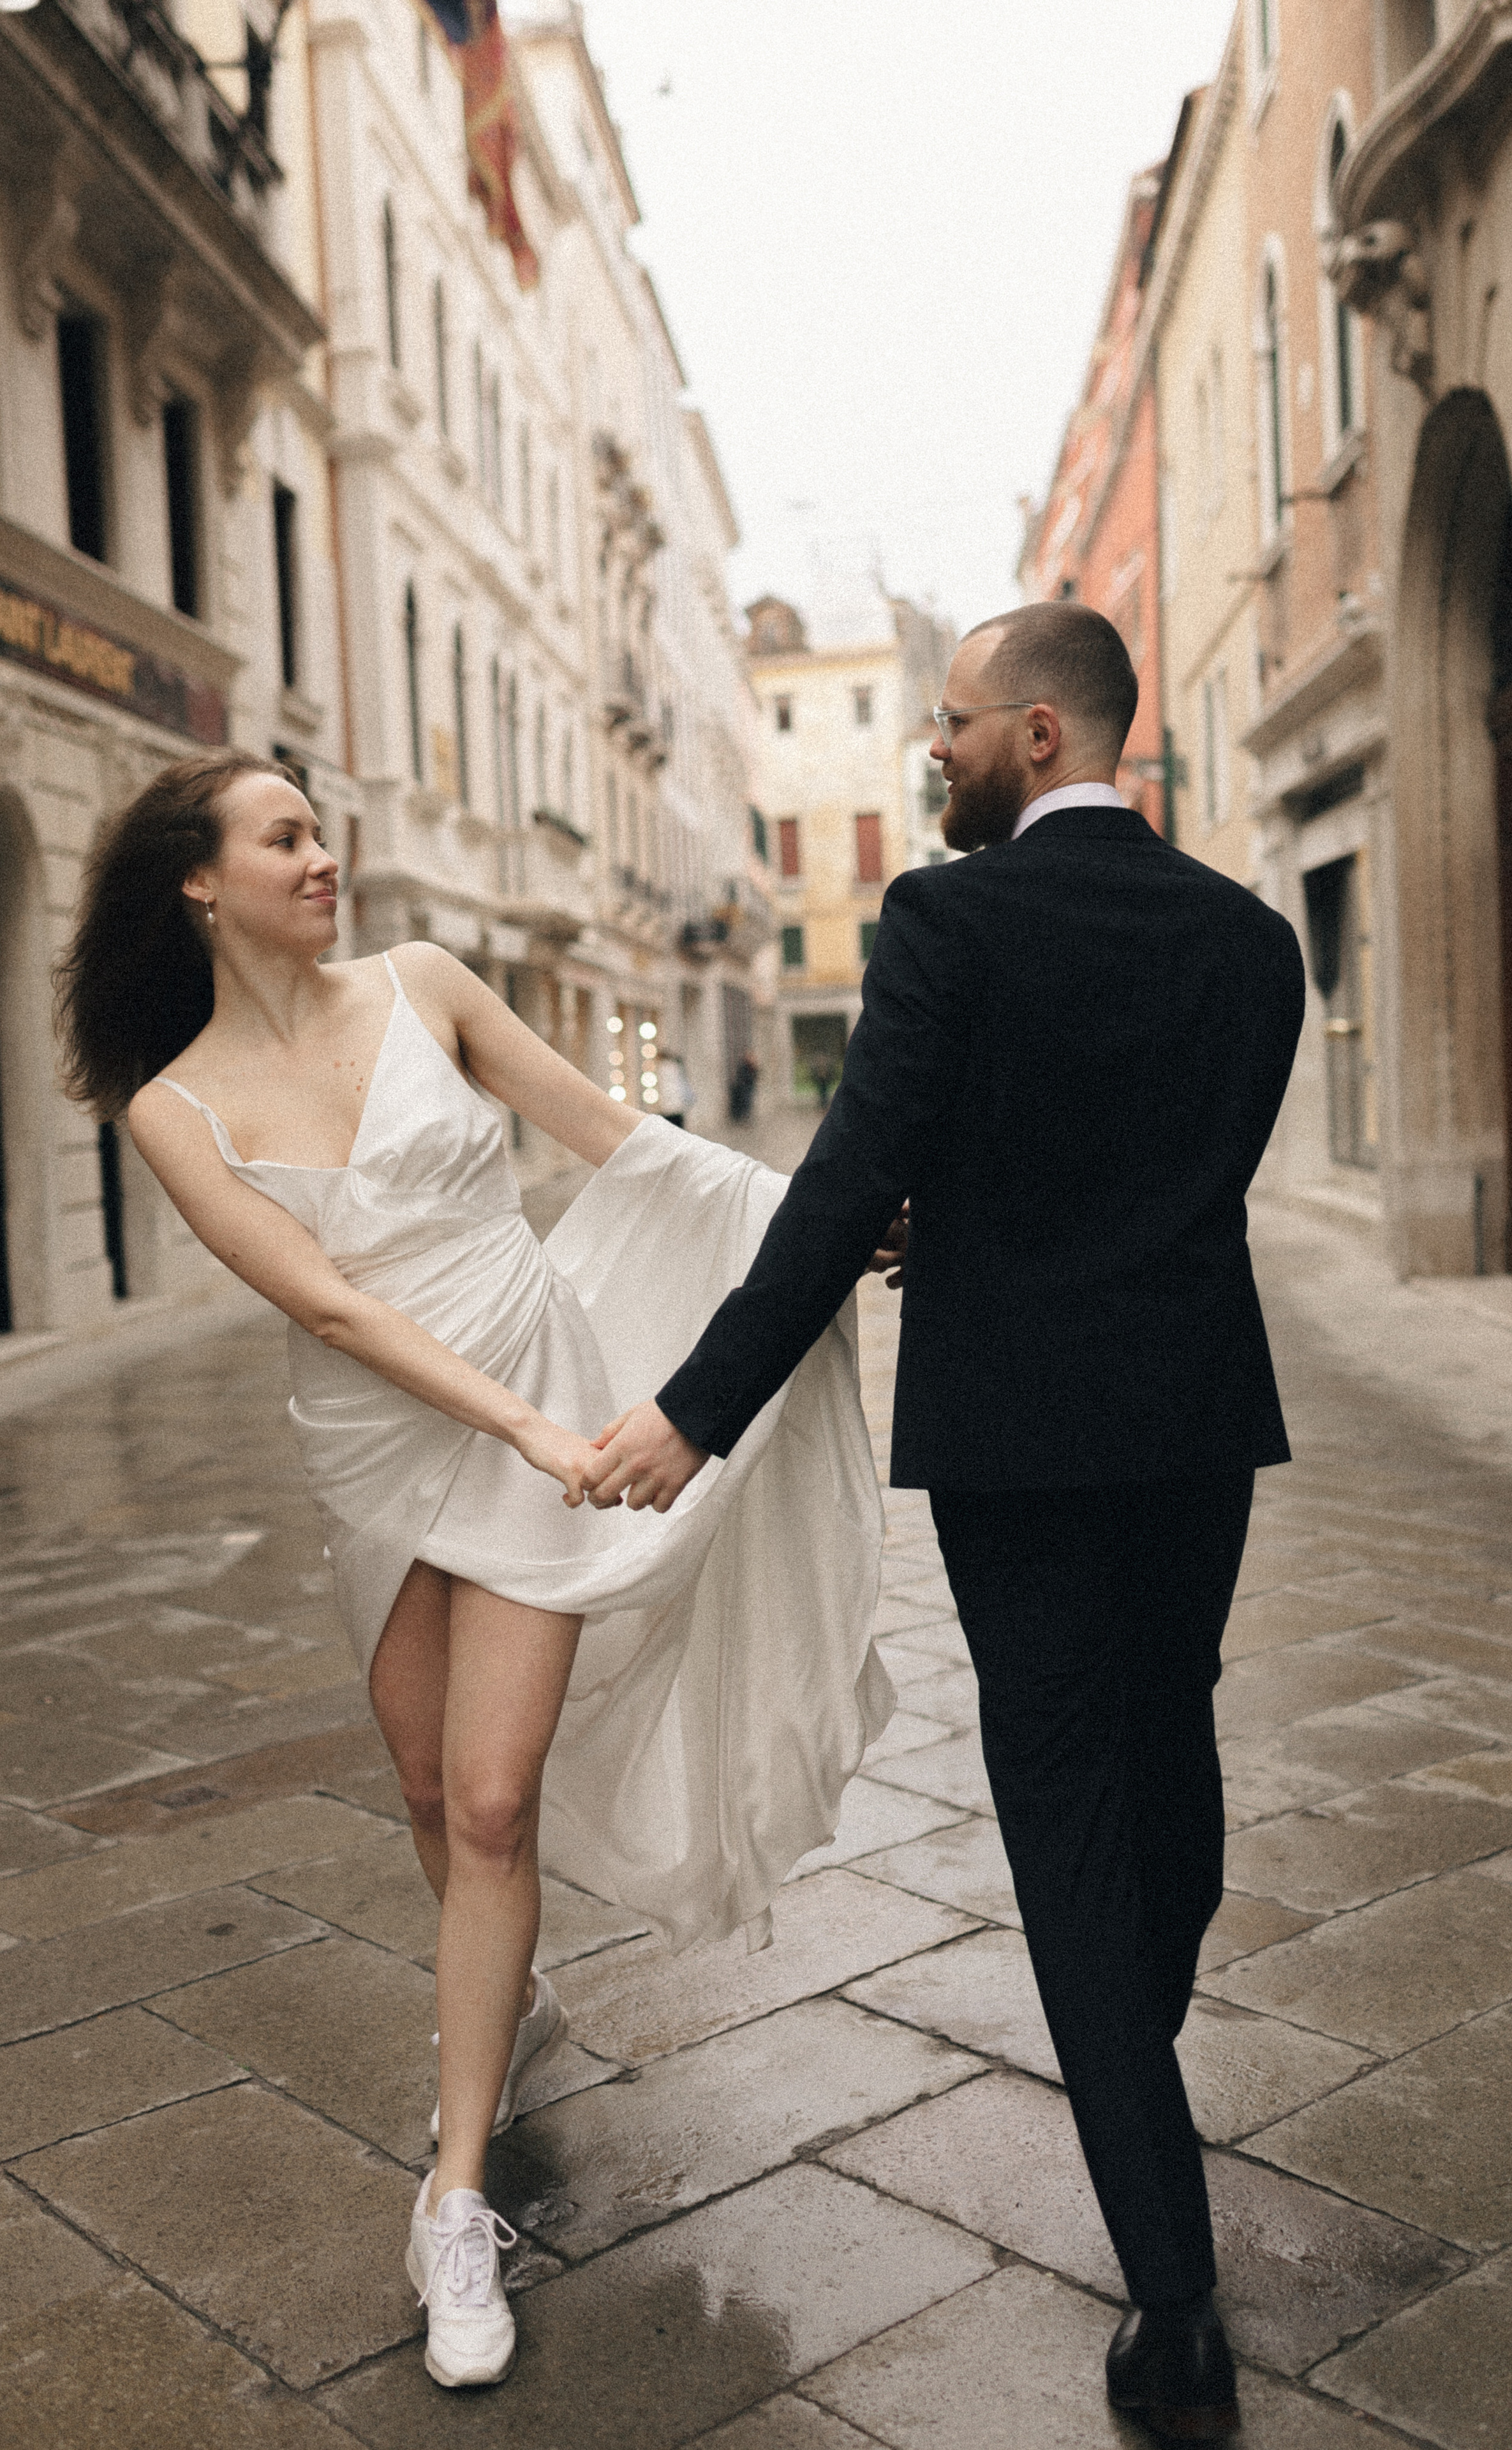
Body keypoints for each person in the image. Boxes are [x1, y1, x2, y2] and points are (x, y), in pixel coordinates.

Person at [53, 751, 889, 2397]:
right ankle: (507, 2005)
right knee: (431, 1789)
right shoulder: (173, 1103)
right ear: (196, 883)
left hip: (536, 1402)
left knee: (492, 1798)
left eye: (318, 831)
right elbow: (337, 1309)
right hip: (381, 1450)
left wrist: (815, 1222)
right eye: (281, 836)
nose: (321, 857)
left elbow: (614, 1136)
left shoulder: (425, 986)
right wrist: (508, 1422)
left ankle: (450, 2198)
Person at [583, 601, 1307, 2444]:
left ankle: (1179, 2303)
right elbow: (1160, 1171)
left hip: (1019, 1441)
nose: (934, 752)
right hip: (1194, 1420)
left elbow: (844, 1190)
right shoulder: (1251, 942)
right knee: (1169, 1747)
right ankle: (1134, 2053)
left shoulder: (945, 919)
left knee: (1065, 1811)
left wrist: (693, 1415)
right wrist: (971, 1216)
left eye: (956, 725)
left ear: (1045, 738)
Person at [655, 1046, 694, 1128]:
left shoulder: (662, 1070)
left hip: (668, 1106)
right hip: (677, 1105)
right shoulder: (675, 1067)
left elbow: (664, 1089)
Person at [728, 1050, 760, 1123]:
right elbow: (743, 1077)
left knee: (749, 1102)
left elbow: (756, 1076)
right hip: (744, 1088)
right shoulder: (744, 1067)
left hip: (750, 1087)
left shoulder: (752, 1068)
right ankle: (741, 1117)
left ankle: (746, 1117)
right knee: (744, 1102)